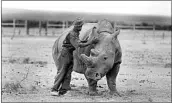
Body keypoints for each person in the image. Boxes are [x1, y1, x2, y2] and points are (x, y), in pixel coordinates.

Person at [51, 18, 99, 96]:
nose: (81, 28)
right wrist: (90, 42)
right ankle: (54, 89)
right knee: (62, 71)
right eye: (80, 26)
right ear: (77, 26)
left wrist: (89, 41)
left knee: (68, 71)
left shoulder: (76, 33)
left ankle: (64, 90)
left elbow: (79, 42)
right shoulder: (72, 34)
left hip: (69, 53)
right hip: (65, 54)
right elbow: (78, 45)